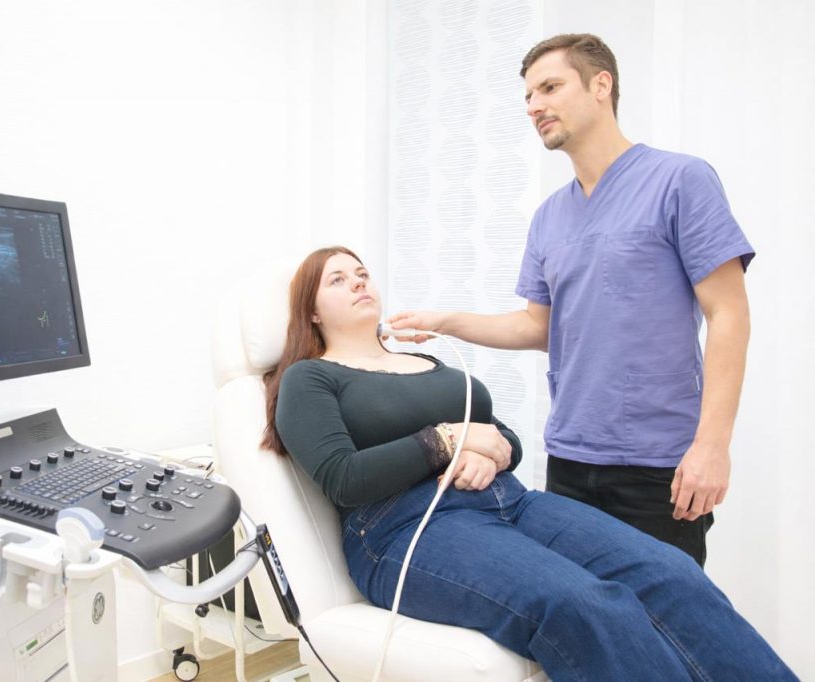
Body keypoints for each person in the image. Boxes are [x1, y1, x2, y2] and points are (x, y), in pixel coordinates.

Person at [264, 246, 794, 682]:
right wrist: (448, 439)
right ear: (312, 312)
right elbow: (343, 478)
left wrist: (486, 452)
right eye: (337, 280)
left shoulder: (424, 360)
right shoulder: (310, 378)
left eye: (362, 272)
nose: (358, 282)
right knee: (585, 604)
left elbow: (502, 437)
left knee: (669, 574)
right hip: (406, 528)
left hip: (510, 500)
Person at [390, 34, 753, 567]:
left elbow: (729, 314)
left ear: (601, 85)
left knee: (661, 612)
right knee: (579, 611)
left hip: (659, 466)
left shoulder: (680, 180)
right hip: (569, 460)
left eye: (550, 87)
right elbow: (539, 327)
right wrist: (444, 320)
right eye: (528, 96)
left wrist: (712, 447)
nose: (534, 105)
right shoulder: (549, 217)